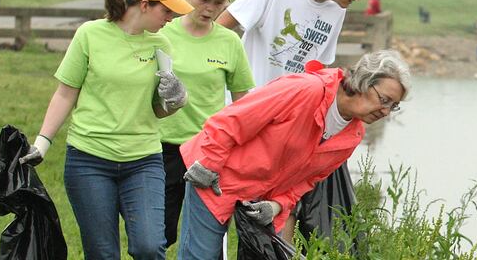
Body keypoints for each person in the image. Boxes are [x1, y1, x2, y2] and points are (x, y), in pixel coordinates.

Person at [18, 0, 194, 259]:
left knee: (150, 246)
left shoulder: (161, 44)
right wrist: (43, 143)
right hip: (89, 160)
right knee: (102, 254)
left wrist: (175, 101)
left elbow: (158, 109)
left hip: (143, 160)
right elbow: (65, 93)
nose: (171, 18)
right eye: (166, 10)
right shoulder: (90, 34)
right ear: (145, 4)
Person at [176, 50, 411, 259]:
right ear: (363, 81)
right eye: (385, 100)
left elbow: (307, 180)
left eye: (394, 106)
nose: (386, 112)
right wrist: (208, 164)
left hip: (261, 197)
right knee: (201, 255)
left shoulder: (352, 135)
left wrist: (278, 205)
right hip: (218, 175)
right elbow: (233, 119)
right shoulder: (305, 89)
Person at [216, 0, 370, 241]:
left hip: (291, 120)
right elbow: (225, 25)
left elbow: (320, 69)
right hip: (248, 108)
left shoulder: (338, 9)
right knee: (225, 197)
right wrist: (215, 74)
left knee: (281, 204)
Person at [158, 0, 255, 248]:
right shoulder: (163, 34)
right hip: (163, 145)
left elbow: (243, 104)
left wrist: (241, 151)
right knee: (159, 236)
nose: (210, 7)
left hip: (208, 151)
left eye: (218, 2)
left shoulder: (229, 42)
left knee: (204, 238)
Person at [216, 0, 370, 88]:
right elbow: (220, 26)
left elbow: (320, 67)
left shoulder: (338, 9)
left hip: (288, 110)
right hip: (248, 101)